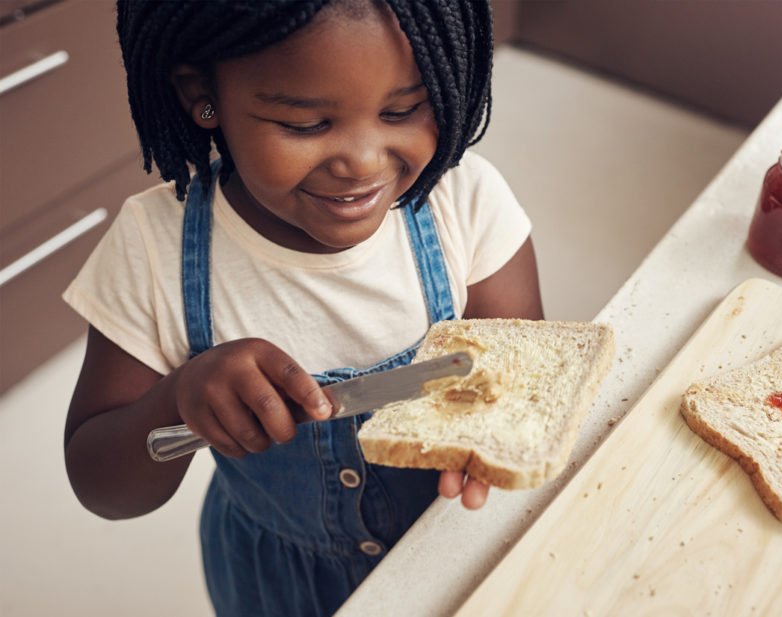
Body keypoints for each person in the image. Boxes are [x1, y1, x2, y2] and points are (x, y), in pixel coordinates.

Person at [62, 1, 543, 615]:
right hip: (276, 586)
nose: (364, 162)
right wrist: (178, 396)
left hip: (454, 553)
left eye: (401, 111)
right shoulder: (154, 250)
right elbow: (102, 485)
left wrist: (495, 440)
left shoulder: (464, 203)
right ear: (202, 94)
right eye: (307, 124)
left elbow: (523, 378)